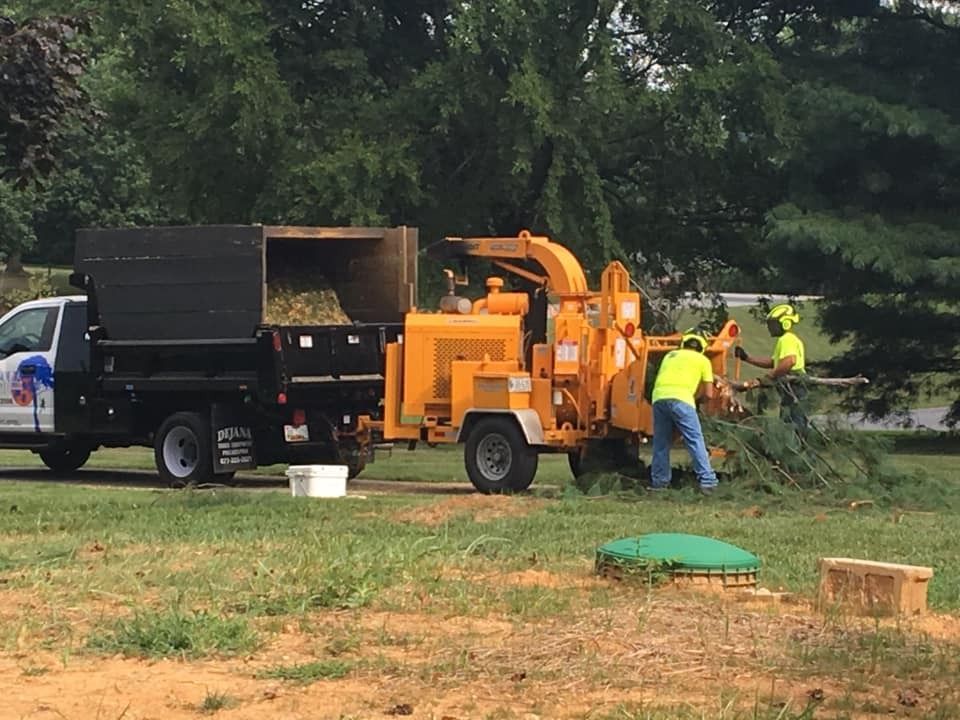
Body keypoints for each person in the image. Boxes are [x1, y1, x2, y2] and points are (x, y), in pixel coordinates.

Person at [649, 329, 718, 495]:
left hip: (658, 398)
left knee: (661, 442)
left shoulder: (670, 356)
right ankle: (708, 482)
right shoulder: (703, 360)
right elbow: (709, 394)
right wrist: (696, 400)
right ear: (702, 346)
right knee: (694, 439)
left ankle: (659, 483)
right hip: (683, 400)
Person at [734, 303, 808, 429]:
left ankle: (795, 445)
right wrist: (748, 358)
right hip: (791, 386)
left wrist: (770, 376)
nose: (770, 328)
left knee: (793, 423)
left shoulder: (787, 339)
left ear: (785, 323)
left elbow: (789, 361)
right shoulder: (788, 340)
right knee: (789, 419)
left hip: (794, 385)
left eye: (773, 324)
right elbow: (775, 362)